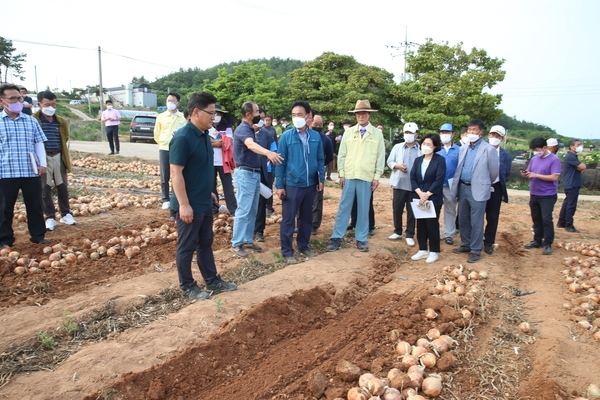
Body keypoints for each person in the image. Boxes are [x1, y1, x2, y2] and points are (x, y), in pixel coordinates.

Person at [169, 91, 237, 300]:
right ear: (196, 112)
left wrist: (209, 192)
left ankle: (212, 280)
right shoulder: (183, 137)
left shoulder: (205, 137)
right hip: (189, 203)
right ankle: (188, 286)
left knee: (205, 242)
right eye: (211, 113)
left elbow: (198, 169)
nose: (214, 117)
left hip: (204, 200)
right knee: (187, 246)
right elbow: (176, 173)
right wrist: (183, 205)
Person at [325, 100, 385, 253]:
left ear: (369, 114)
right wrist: (342, 174)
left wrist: (377, 177)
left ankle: (361, 239)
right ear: (356, 115)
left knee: (364, 209)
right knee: (344, 207)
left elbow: (380, 157)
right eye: (358, 113)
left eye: (364, 113)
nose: (361, 116)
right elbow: (342, 154)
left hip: (366, 176)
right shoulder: (349, 132)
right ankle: (337, 237)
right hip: (349, 176)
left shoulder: (377, 134)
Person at [231, 102, 283, 258]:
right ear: (248, 114)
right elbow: (250, 145)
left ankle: (247, 239)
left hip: (253, 174)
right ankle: (237, 242)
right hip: (245, 174)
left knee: (252, 209)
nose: (260, 115)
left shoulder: (251, 129)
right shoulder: (243, 129)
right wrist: (268, 153)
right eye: (257, 112)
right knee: (244, 210)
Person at [0, 83, 49, 247]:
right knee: (5, 208)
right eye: (12, 98)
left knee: (34, 205)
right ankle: (5, 239)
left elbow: (38, 144)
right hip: (5, 172)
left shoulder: (31, 121)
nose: (17, 101)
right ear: (2, 101)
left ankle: (38, 235)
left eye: (19, 98)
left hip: (30, 170)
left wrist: (43, 163)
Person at [276, 101, 324, 263]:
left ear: (308, 116)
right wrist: (279, 185)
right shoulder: (286, 137)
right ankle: (287, 251)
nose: (296, 118)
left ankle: (303, 246)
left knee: (306, 217)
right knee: (289, 219)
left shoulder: (316, 137)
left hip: (310, 184)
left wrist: (321, 179)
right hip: (292, 184)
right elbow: (280, 162)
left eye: (299, 114)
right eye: (293, 115)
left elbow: (319, 159)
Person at [450, 119, 499, 263]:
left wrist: (483, 183)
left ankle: (475, 250)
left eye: (475, 130)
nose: (471, 132)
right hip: (463, 187)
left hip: (478, 189)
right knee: (463, 218)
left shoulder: (488, 149)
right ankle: (465, 244)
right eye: (469, 129)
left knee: (477, 221)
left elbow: (494, 172)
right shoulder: (464, 147)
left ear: (481, 132)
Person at [32, 91, 76, 231]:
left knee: (62, 186)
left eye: (53, 105)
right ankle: (50, 216)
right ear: (39, 105)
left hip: (58, 155)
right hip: (43, 158)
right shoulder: (34, 120)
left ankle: (65, 213)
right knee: (45, 188)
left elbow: (66, 138)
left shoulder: (60, 121)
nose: (50, 107)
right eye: (47, 105)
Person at [521, 137, 562, 255]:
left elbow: (554, 177)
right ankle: (537, 240)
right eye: (534, 150)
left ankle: (547, 243)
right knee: (536, 218)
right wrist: (526, 174)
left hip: (547, 195)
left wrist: (536, 175)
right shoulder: (534, 159)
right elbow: (531, 173)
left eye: (538, 149)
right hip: (534, 193)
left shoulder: (554, 160)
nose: (536, 152)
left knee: (546, 219)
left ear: (545, 147)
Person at [410, 134, 446, 263]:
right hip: (419, 197)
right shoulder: (418, 160)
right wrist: (420, 193)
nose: (425, 146)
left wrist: (427, 194)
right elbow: (413, 177)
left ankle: (434, 251)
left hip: (433, 198)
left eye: (429, 144)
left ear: (435, 146)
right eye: (424, 143)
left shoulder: (440, 160)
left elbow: (439, 179)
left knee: (431, 224)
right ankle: (423, 249)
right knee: (421, 224)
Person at [386, 122, 421, 246]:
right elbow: (389, 161)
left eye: (411, 133)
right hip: (399, 183)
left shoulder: (421, 149)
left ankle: (410, 234)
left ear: (416, 134)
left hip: (414, 186)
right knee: (397, 208)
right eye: (406, 132)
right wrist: (397, 166)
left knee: (412, 211)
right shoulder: (397, 147)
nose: (408, 135)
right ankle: (397, 231)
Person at [154, 92, 186, 211]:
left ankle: (175, 198)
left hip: (178, 150)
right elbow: (156, 134)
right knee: (165, 175)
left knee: (176, 174)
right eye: (168, 100)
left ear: (178, 103)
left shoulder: (182, 117)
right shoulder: (161, 117)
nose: (170, 103)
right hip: (164, 148)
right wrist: (163, 142)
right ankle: (165, 199)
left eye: (172, 101)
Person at [483, 125, 512, 254]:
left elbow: (506, 172)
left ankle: (488, 242)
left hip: (496, 188)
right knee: (477, 215)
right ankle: (475, 240)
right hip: (481, 186)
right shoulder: (480, 149)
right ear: (488, 135)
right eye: (492, 135)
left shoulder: (505, 155)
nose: (494, 138)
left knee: (493, 216)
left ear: (502, 138)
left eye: (498, 136)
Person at [253, 108, 277, 242]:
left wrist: (263, 159)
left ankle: (259, 231)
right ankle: (247, 231)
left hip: (263, 172)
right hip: (247, 174)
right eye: (258, 117)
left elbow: (273, 151)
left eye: (263, 118)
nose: (261, 121)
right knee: (248, 203)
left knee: (261, 202)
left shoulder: (268, 135)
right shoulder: (245, 132)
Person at [210, 104, 237, 215]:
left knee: (228, 185)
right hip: (210, 161)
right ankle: (214, 208)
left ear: (221, 115)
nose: (216, 115)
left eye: (219, 113)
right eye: (214, 113)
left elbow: (228, 142)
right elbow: (205, 141)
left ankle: (233, 209)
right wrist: (218, 142)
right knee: (211, 185)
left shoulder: (227, 127)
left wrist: (212, 142)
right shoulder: (207, 126)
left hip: (223, 161)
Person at [310, 114, 334, 235]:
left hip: (318, 172)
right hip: (304, 172)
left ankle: (314, 224)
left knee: (317, 198)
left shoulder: (326, 140)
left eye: (320, 125)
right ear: (310, 123)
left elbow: (330, 156)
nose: (318, 127)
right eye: (315, 124)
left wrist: (320, 164)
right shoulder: (306, 135)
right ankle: (300, 222)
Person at [437, 123, 459, 245]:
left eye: (447, 132)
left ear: (452, 134)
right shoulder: (436, 149)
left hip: (451, 186)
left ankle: (449, 234)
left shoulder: (458, 150)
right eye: (442, 132)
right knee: (435, 208)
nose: (445, 135)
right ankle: (436, 231)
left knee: (450, 209)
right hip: (437, 185)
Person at [558, 139, 586, 233]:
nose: (580, 146)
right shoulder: (571, 157)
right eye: (578, 144)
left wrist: (579, 167)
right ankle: (568, 225)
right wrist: (580, 167)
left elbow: (580, 167)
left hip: (569, 183)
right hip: (572, 183)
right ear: (571, 146)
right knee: (571, 205)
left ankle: (561, 222)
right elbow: (583, 167)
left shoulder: (571, 156)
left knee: (567, 203)